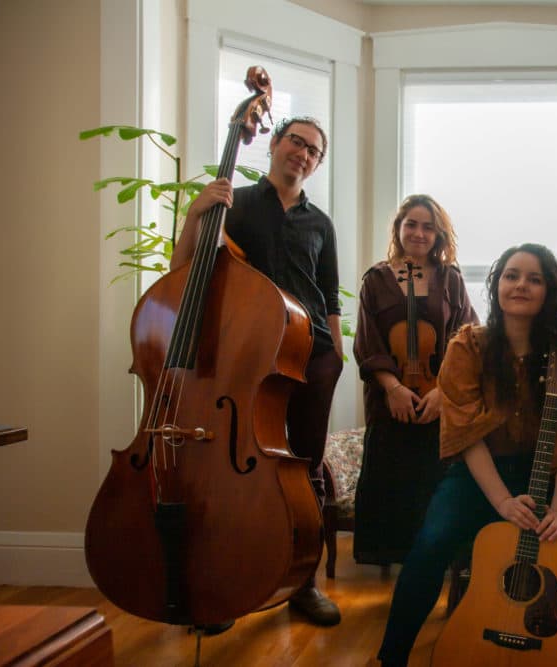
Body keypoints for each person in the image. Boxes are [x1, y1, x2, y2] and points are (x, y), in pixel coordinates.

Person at [376, 244, 557, 666]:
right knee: (431, 544)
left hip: (547, 475)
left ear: (549, 292)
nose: (520, 285)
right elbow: (467, 434)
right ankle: (390, 658)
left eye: (534, 278)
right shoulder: (468, 347)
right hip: (480, 476)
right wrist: (503, 503)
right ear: (496, 286)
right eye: (511, 275)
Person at [171, 116, 344, 627]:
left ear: (317, 163)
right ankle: (227, 583)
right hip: (245, 356)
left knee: (305, 470)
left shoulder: (321, 223)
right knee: (233, 473)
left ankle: (302, 582)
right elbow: (186, 272)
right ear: (273, 145)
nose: (303, 153)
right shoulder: (234, 203)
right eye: (296, 141)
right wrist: (194, 215)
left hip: (310, 354)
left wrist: (334, 350)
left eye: (314, 150)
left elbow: (329, 293)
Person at [352, 194, 477, 565]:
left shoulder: (451, 279)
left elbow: (466, 338)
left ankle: (437, 561)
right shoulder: (376, 279)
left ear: (438, 234)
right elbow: (367, 341)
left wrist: (443, 391)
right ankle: (393, 561)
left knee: (436, 483)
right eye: (411, 224)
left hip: (441, 400)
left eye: (427, 226)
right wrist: (392, 388)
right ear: (399, 228)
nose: (419, 233)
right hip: (388, 399)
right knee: (390, 482)